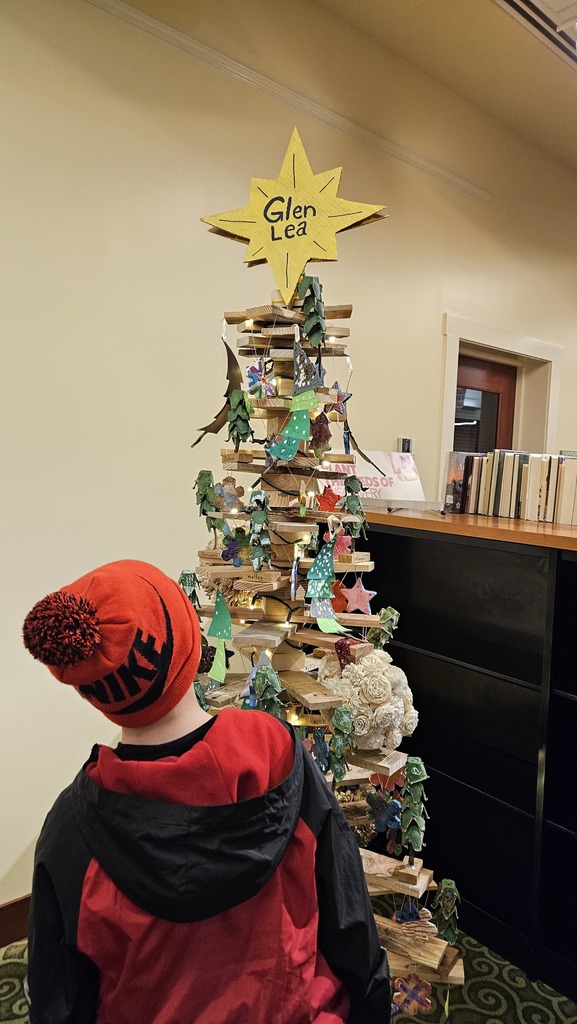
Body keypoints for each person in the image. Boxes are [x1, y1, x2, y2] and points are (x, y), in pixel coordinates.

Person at [23, 559, 391, 1024]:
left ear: (91, 692)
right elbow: (348, 911)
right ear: (192, 645)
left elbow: (59, 998)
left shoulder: (71, 828)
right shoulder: (279, 754)